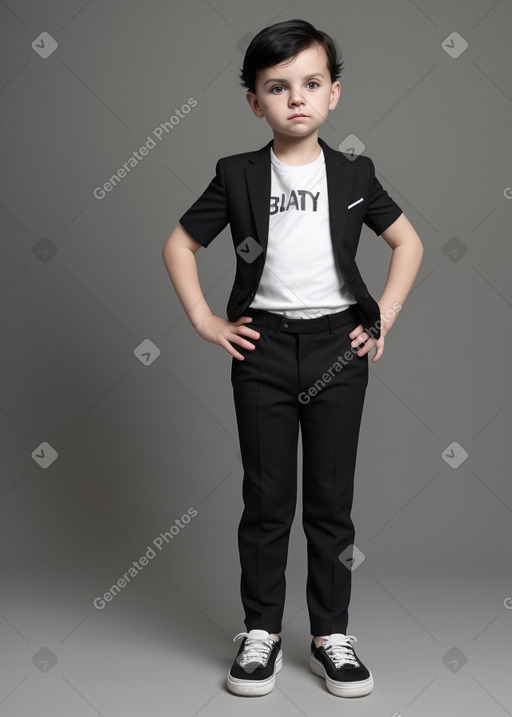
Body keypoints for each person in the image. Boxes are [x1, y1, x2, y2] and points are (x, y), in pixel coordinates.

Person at [162, 18, 423, 699]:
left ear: (334, 94)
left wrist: (380, 319)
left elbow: (409, 245)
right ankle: (262, 632)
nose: (296, 99)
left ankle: (333, 632)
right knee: (266, 498)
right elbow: (179, 246)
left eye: (310, 84)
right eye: (277, 88)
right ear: (255, 101)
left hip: (340, 347)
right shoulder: (238, 174)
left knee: (332, 502)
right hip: (263, 350)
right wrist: (204, 320)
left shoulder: (356, 175)